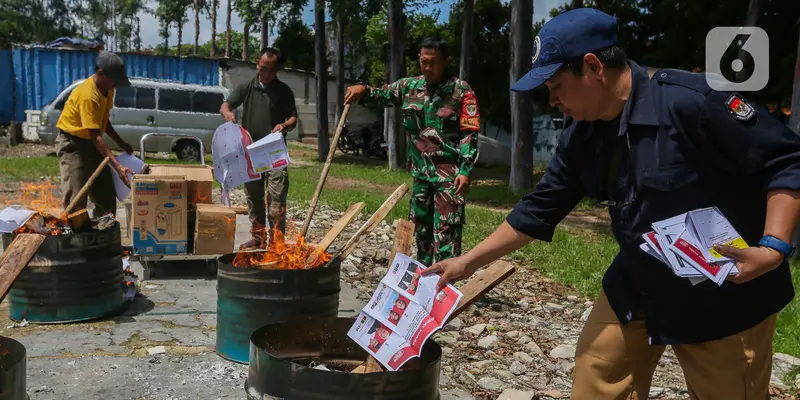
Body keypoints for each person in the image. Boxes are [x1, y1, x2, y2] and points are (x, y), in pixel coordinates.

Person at [423, 8, 800, 400]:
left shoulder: (692, 104)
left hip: (725, 290)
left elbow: (786, 161)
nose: (552, 101)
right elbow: (540, 207)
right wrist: (466, 263)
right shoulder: (581, 134)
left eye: (555, 85)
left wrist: (773, 248)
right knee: (596, 377)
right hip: (639, 281)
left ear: (592, 67)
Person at [344, 37, 481, 266]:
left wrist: (465, 170)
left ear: (446, 61)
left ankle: (443, 289)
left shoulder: (461, 92)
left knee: (446, 235)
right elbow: (383, 95)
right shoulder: (410, 87)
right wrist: (363, 90)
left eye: (433, 62)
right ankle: (423, 281)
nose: (428, 68)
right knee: (422, 233)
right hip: (420, 176)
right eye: (423, 62)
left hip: (449, 178)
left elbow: (470, 133)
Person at [220, 48, 298, 249]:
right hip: (250, 152)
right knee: (254, 198)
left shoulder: (283, 91)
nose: (266, 74)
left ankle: (277, 242)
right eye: (263, 69)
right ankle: (258, 238)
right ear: (257, 65)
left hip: (274, 152)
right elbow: (225, 105)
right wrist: (228, 114)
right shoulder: (248, 86)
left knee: (276, 198)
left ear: (277, 70)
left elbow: (293, 118)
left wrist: (284, 125)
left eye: (271, 71)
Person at [55, 51, 135, 218]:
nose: (115, 85)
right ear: (100, 73)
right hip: (73, 145)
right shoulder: (88, 96)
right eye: (113, 80)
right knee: (76, 200)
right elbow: (96, 136)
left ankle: (103, 233)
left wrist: (121, 143)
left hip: (91, 144)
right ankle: (76, 238)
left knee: (105, 196)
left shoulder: (108, 90)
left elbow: (103, 121)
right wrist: (117, 166)